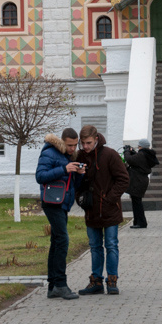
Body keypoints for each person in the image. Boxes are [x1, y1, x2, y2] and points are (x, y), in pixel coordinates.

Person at [75, 124, 130, 295]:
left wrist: (110, 199)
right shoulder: (80, 157)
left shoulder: (110, 155)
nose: (85, 146)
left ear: (96, 139)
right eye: (83, 143)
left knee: (111, 245)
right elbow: (76, 183)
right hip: (91, 210)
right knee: (95, 246)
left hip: (109, 209)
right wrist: (80, 196)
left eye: (89, 142)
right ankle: (96, 281)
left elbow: (123, 179)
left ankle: (112, 280)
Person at [34, 127, 83, 300]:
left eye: (75, 145)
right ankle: (60, 284)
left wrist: (79, 174)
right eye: (70, 145)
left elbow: (72, 184)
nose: (73, 149)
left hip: (62, 202)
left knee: (56, 242)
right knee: (62, 240)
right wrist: (64, 169)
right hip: (52, 202)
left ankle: (53, 286)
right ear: (62, 141)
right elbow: (40, 176)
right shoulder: (50, 152)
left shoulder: (67, 156)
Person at [123, 138, 159, 229]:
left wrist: (127, 151)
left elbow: (129, 159)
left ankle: (141, 223)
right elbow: (136, 160)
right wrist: (133, 152)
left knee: (137, 202)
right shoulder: (146, 154)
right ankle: (137, 222)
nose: (138, 147)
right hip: (141, 180)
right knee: (136, 201)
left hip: (138, 181)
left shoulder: (142, 154)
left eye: (139, 146)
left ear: (141, 146)